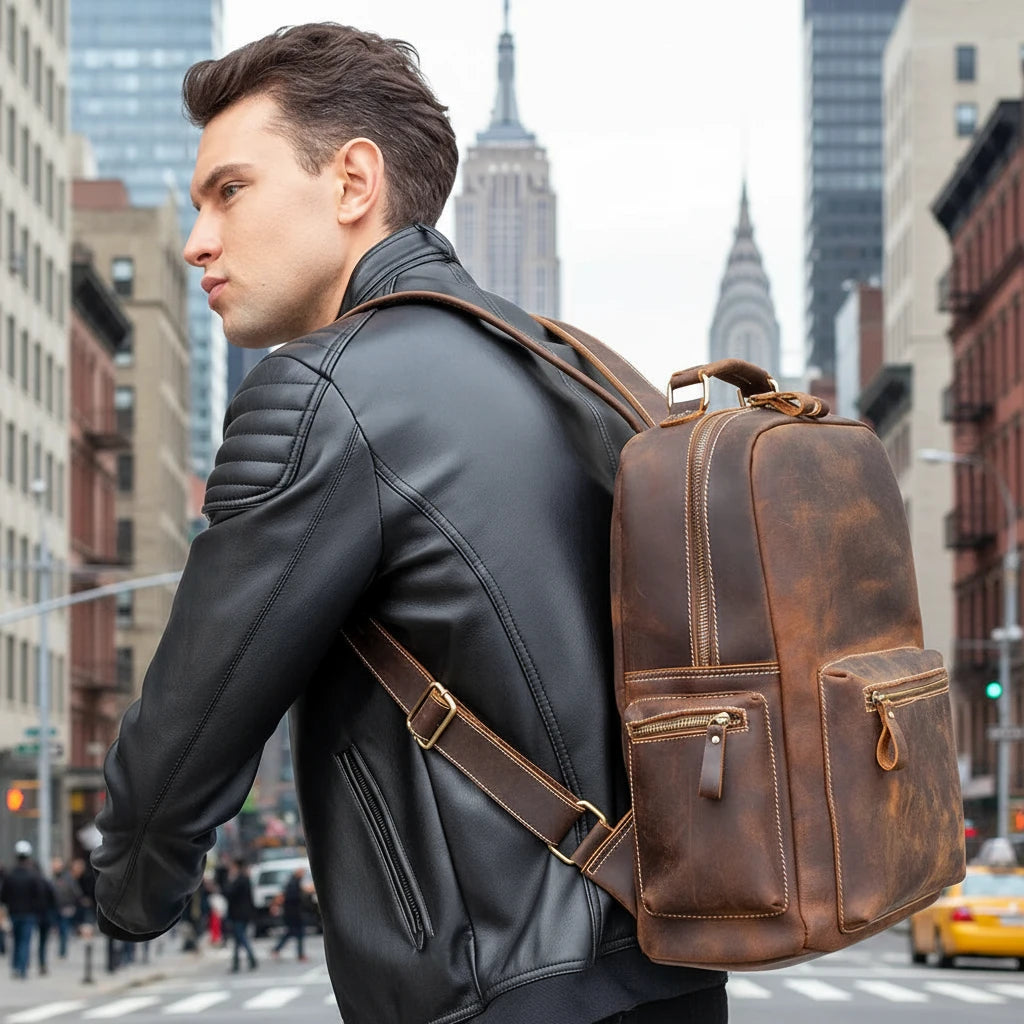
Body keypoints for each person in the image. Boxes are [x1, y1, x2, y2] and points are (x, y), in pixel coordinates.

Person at [89, 22, 728, 1024]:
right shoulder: (571, 368)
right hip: (670, 975)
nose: (195, 239)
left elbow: (185, 734)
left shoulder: (316, 393)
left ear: (353, 183)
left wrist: (129, 891)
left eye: (229, 190)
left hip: (488, 995)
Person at [1, 841, 42, 979]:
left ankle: (16, 966)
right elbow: (38, 896)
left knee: (16, 940)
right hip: (28, 913)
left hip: (14, 913)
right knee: (25, 940)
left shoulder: (9, 875)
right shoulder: (33, 876)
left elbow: (4, 896)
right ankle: (23, 968)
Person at [270, 865, 310, 963]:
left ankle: (277, 949)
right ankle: (299, 954)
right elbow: (293, 898)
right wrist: (304, 892)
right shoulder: (293, 884)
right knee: (297, 933)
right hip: (293, 914)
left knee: (292, 933)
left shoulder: (293, 883)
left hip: (293, 914)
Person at [224, 858, 258, 972]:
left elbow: (229, 893)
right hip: (244, 913)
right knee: (237, 940)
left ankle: (251, 958)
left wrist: (230, 880)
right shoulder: (246, 879)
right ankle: (236, 964)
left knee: (240, 937)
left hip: (238, 914)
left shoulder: (238, 880)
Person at [50, 858, 82, 958]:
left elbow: (76, 892)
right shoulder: (53, 878)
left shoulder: (67, 878)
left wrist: (70, 903)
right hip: (55, 907)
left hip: (65, 907)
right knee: (59, 929)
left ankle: (62, 951)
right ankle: (61, 950)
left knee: (64, 929)